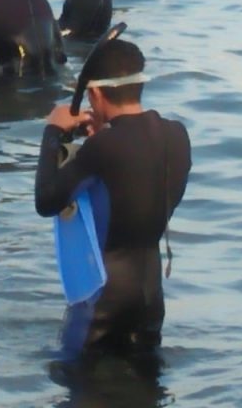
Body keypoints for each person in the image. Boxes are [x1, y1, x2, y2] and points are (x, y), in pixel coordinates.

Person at [35, 39, 191, 356]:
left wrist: (52, 132)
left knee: (77, 389)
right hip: (150, 295)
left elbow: (47, 200)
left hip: (103, 297)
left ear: (94, 94)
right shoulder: (177, 135)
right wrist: (102, 140)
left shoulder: (103, 147)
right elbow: (131, 178)